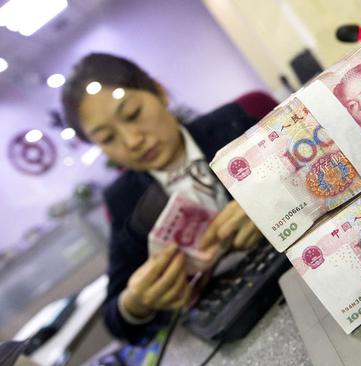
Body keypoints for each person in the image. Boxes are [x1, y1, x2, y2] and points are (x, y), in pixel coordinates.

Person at [61, 53, 273, 343]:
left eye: (133, 114)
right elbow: (116, 317)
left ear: (159, 92)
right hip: (238, 327)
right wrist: (136, 302)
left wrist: (275, 198)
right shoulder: (123, 201)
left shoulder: (238, 119)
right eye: (108, 139)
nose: (133, 141)